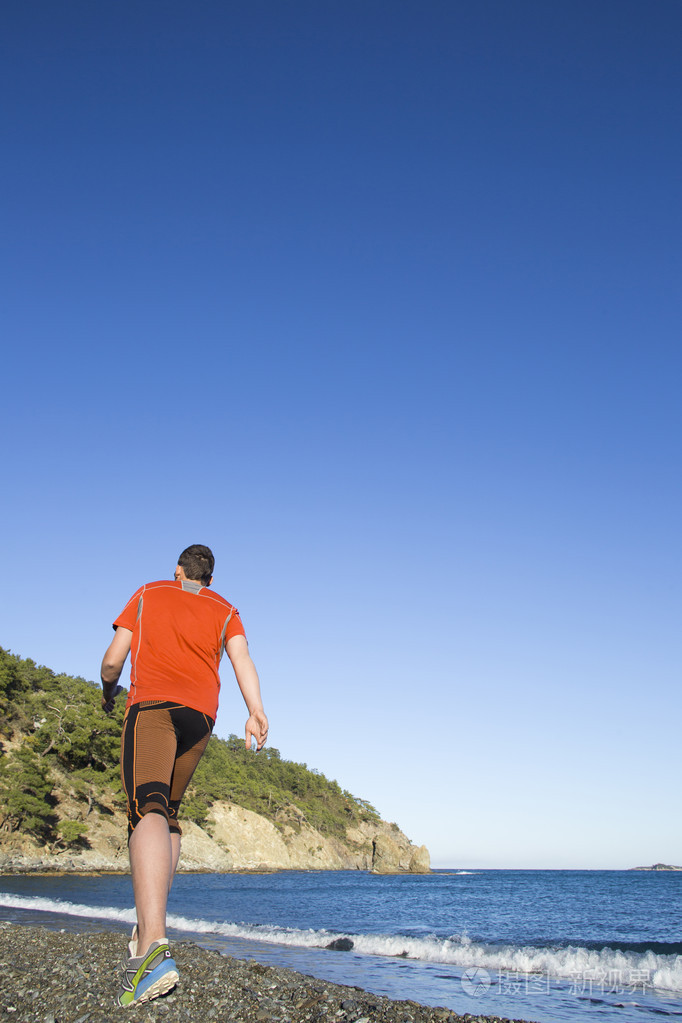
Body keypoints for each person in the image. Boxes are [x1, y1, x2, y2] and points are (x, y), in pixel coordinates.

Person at [100, 544, 268, 1007]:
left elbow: (114, 660)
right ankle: (149, 929)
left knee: (147, 807)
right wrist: (255, 711)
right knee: (169, 815)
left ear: (178, 571)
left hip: (153, 706)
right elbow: (241, 660)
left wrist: (107, 689)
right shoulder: (226, 609)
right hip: (201, 718)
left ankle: (152, 945)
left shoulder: (150, 592)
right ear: (208, 579)